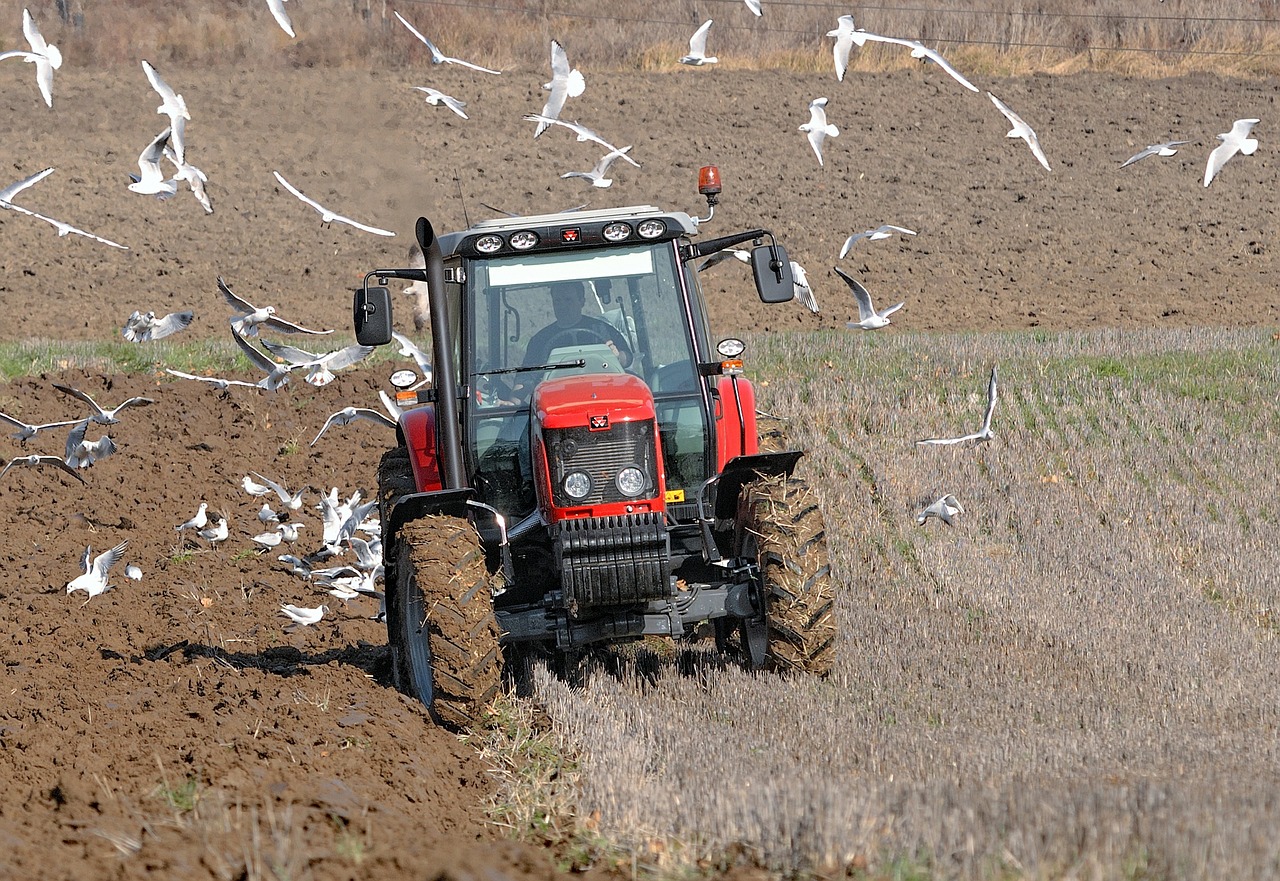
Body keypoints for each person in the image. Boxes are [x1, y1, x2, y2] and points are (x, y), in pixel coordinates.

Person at [522, 280, 633, 369]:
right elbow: (525, 378)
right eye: (557, 301)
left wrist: (617, 357)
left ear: (582, 301)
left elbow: (628, 358)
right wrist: (514, 397)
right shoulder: (540, 340)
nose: (562, 306)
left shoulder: (601, 329)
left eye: (568, 300)